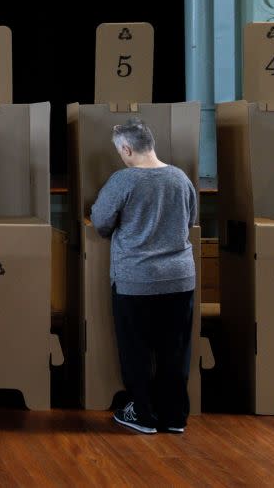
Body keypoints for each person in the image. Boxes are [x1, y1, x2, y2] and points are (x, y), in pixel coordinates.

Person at [91, 118, 198, 435]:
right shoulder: (180, 178)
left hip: (136, 280)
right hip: (180, 279)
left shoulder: (124, 181)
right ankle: (174, 416)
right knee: (174, 350)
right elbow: (190, 220)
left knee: (136, 348)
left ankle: (143, 413)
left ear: (126, 149)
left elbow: (100, 222)